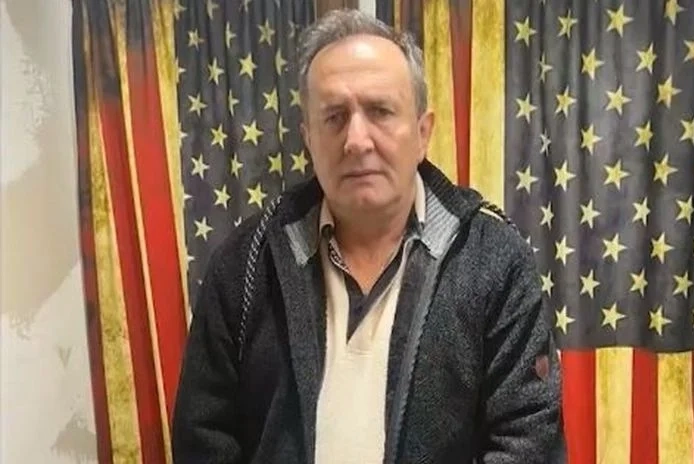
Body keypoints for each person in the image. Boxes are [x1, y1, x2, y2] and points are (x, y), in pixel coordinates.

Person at [172, 8, 563, 464]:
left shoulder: (494, 260)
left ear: (422, 133)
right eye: (334, 117)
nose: (357, 140)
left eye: (380, 111)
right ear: (308, 138)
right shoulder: (247, 263)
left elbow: (528, 440)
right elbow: (203, 437)